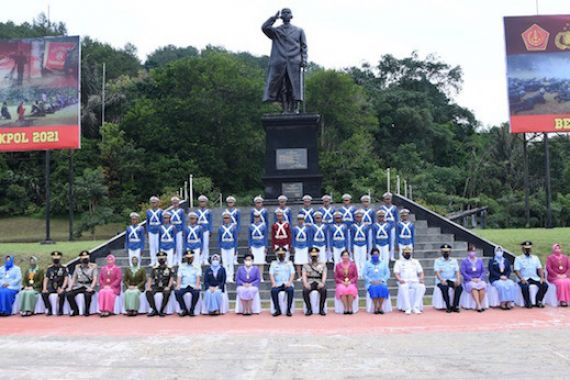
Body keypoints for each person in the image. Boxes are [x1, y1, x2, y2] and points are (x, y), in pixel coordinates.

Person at [262, 8, 307, 113]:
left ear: (291, 16)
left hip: (294, 61)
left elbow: (304, 46)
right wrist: (273, 18)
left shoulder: (299, 31)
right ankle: (285, 109)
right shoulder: (276, 31)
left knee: (294, 86)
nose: (286, 15)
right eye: (284, 13)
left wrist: (304, 59)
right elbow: (264, 27)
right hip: (280, 62)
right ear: (281, 17)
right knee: (283, 87)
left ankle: (295, 108)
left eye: (288, 13)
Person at [514, 241, 548, 308]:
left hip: (534, 277)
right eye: (526, 249)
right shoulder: (518, 258)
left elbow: (540, 268)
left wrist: (542, 277)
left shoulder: (535, 258)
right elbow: (516, 271)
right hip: (524, 278)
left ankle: (538, 301)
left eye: (529, 249)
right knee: (525, 286)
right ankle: (528, 302)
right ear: (523, 249)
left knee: (545, 285)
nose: (527, 250)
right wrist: (522, 279)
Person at [394, 247, 425, 315]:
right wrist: (400, 280)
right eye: (406, 253)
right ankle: (408, 308)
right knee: (404, 287)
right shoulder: (398, 262)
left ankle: (416, 307)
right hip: (404, 281)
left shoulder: (415, 261)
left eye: (409, 253)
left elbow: (421, 272)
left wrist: (421, 279)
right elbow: (396, 274)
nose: (407, 254)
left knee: (422, 287)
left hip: (415, 281)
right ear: (402, 254)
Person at [66, 251, 98, 317]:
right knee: (69, 294)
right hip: (79, 285)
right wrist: (70, 287)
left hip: (88, 285)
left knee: (87, 295)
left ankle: (87, 311)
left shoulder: (93, 267)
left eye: (86, 258)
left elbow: (95, 279)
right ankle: (75, 310)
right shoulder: (77, 267)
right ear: (80, 259)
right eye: (83, 258)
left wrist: (91, 287)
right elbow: (74, 278)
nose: (85, 259)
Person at [434, 244, 462, 313]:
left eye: (447, 252)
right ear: (441, 252)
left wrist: (458, 280)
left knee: (459, 287)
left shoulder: (454, 260)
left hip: (451, 279)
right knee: (444, 288)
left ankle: (455, 306)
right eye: (444, 252)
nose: (446, 253)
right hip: (441, 280)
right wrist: (441, 280)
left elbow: (457, 271)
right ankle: (448, 306)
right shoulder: (437, 261)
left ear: (450, 252)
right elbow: (437, 272)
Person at [146, 251, 174, 317]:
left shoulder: (169, 268)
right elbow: (150, 278)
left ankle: (161, 310)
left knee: (166, 292)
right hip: (157, 286)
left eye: (163, 258)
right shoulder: (155, 269)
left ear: (166, 259)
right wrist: (149, 286)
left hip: (166, 285)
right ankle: (154, 310)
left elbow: (171, 278)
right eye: (160, 258)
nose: (161, 260)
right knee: (148, 292)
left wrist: (169, 287)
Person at [460, 244, 487, 312]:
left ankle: (479, 305)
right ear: (468, 252)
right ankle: (478, 304)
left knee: (482, 287)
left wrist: (480, 278)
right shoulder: (465, 261)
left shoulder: (479, 260)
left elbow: (483, 271)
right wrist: (471, 279)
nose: (472, 252)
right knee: (473, 287)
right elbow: (463, 272)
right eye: (471, 251)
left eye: (474, 251)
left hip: (478, 279)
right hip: (469, 280)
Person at [489, 246, 516, 310]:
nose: (499, 252)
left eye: (500, 251)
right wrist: (499, 276)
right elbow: (491, 271)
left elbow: (509, 270)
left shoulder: (506, 260)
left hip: (505, 278)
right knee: (501, 286)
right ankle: (503, 302)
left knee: (511, 284)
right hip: (495, 278)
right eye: (497, 251)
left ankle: (509, 301)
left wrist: (506, 276)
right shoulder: (492, 261)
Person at [269, 247, 295, 317]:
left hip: (287, 283)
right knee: (273, 291)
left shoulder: (289, 263)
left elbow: (292, 274)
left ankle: (289, 310)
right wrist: (273, 283)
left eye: (282, 254)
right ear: (276, 255)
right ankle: (277, 310)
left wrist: (289, 282)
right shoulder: (273, 263)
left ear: (285, 254)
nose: (281, 256)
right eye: (279, 254)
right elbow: (271, 274)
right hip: (277, 283)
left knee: (290, 290)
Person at [302, 247, 327, 316]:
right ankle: (309, 309)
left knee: (323, 290)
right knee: (305, 291)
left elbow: (324, 274)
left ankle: (321, 309)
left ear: (318, 255)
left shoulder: (322, 264)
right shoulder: (305, 265)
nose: (314, 256)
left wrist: (322, 283)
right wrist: (305, 283)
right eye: (312, 255)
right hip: (310, 282)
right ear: (309, 255)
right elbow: (304, 275)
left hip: (319, 281)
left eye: (315, 255)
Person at [175, 250, 201, 317]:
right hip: (184, 285)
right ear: (185, 258)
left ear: (193, 258)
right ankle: (184, 309)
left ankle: (192, 309)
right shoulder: (181, 266)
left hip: (193, 285)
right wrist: (178, 285)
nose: (189, 259)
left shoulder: (197, 266)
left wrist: (197, 285)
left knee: (196, 292)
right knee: (177, 292)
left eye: (191, 257)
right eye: (188, 258)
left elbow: (198, 277)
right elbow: (179, 277)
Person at [42, 251, 68, 316]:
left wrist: (62, 288)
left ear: (60, 258)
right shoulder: (49, 269)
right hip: (52, 286)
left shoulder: (64, 268)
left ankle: (60, 310)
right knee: (44, 294)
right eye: (54, 257)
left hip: (61, 285)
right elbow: (46, 279)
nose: (56, 258)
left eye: (57, 257)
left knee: (62, 294)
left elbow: (66, 279)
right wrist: (44, 288)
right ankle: (49, 309)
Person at [364, 248, 390, 314]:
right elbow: (364, 274)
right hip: (371, 283)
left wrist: (382, 280)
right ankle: (375, 307)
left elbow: (387, 274)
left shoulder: (383, 263)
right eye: (374, 254)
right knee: (374, 288)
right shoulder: (367, 264)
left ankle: (380, 307)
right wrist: (371, 281)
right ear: (371, 255)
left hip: (381, 282)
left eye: (377, 254)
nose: (376, 255)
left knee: (383, 288)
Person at [335, 250, 358, 314]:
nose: (345, 257)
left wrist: (350, 282)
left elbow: (356, 276)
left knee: (351, 289)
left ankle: (350, 308)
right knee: (342, 289)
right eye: (344, 255)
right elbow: (336, 277)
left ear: (349, 256)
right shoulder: (338, 265)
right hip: (341, 283)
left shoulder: (353, 265)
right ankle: (345, 308)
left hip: (351, 283)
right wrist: (342, 282)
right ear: (341, 257)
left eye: (346, 255)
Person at [218, 212, 238, 282]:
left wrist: (235, 248)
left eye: (227, 218)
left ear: (230, 219)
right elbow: (219, 239)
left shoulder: (233, 228)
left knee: (231, 262)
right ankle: (225, 277)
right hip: (223, 246)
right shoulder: (221, 228)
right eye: (225, 218)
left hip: (231, 245)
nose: (226, 219)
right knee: (224, 262)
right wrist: (220, 247)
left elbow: (235, 239)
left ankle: (231, 277)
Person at [350, 209, 370, 279]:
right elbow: (351, 237)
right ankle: (357, 273)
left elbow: (367, 237)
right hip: (356, 243)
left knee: (363, 259)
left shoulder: (365, 226)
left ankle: (363, 273)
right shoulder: (353, 226)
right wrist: (351, 247)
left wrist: (368, 247)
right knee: (357, 259)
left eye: (360, 217)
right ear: (355, 217)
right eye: (357, 217)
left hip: (363, 243)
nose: (359, 218)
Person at [292, 214, 312, 281]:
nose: (300, 221)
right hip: (297, 246)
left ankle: (305, 275)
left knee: (305, 262)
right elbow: (293, 238)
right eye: (299, 219)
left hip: (305, 246)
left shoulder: (307, 228)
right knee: (298, 262)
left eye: (302, 219)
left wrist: (309, 247)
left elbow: (309, 238)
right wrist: (294, 247)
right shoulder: (294, 228)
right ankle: (299, 276)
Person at [248, 211, 268, 281]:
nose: (257, 218)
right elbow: (249, 237)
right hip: (254, 245)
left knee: (261, 262)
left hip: (261, 244)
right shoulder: (251, 226)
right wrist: (250, 246)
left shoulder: (263, 226)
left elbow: (265, 237)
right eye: (255, 217)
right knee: (254, 262)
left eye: (258, 217)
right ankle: (254, 277)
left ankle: (261, 276)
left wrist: (266, 246)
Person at [379, 192, 399, 261]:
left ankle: (391, 256)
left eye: (389, 199)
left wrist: (396, 226)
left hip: (392, 226)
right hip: (384, 227)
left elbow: (396, 218)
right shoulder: (381, 208)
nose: (388, 200)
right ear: (384, 200)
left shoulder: (394, 208)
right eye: (386, 199)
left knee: (392, 241)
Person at [146, 196, 163, 267]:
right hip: (151, 230)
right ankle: (153, 261)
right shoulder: (148, 212)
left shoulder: (161, 211)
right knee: (152, 246)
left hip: (158, 230)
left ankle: (158, 261)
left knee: (158, 246)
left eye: (155, 202)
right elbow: (147, 222)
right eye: (152, 203)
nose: (153, 204)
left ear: (158, 203)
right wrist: (147, 230)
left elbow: (162, 222)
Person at [169, 196, 186, 265]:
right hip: (172, 230)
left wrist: (183, 230)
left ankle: (179, 259)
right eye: (173, 203)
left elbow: (183, 221)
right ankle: (174, 259)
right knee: (173, 245)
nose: (175, 204)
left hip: (179, 229)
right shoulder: (170, 212)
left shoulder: (181, 211)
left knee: (179, 245)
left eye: (176, 203)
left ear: (178, 203)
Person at [196, 195, 213, 264]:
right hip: (199, 229)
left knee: (206, 245)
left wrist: (210, 230)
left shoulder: (209, 211)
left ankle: (205, 259)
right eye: (200, 202)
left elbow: (210, 221)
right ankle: (200, 258)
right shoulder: (197, 211)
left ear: (206, 202)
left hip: (206, 229)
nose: (202, 203)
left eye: (203, 202)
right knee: (200, 244)